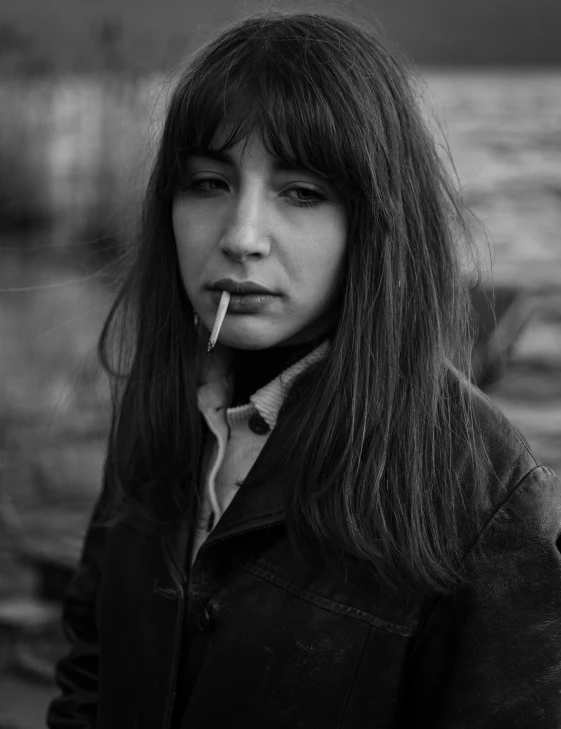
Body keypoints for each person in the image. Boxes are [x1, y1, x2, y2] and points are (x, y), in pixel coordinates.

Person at [47, 11, 561, 729]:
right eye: (207, 182)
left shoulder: (483, 491)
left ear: (375, 220)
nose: (240, 237)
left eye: (301, 192)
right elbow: (91, 664)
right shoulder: (159, 399)